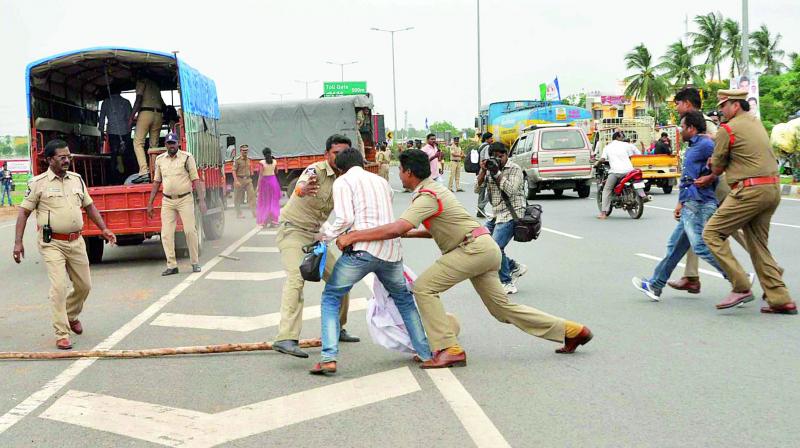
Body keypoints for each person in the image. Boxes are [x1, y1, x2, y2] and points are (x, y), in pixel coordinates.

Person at [335, 149, 593, 369]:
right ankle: (571, 331)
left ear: (409, 172)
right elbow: (429, 229)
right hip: (484, 247)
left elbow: (398, 226)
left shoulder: (427, 196)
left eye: (401, 170)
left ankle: (448, 348)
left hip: (472, 250)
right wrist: (404, 235)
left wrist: (354, 236)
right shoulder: (435, 189)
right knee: (502, 310)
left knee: (424, 288)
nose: (400, 175)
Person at [310, 148, 432, 374]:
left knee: (331, 298)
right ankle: (425, 353)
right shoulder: (380, 182)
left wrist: (323, 235)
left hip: (362, 250)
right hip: (390, 251)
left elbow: (345, 218)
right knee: (404, 300)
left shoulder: (343, 182)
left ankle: (328, 357)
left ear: (339, 168)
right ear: (363, 163)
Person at [13, 139, 117, 349]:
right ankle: (61, 332)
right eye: (62, 157)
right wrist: (18, 243)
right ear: (50, 159)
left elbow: (89, 207)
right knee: (59, 287)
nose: (67, 160)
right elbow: (24, 212)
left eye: (68, 156)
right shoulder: (38, 183)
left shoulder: (77, 180)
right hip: (52, 243)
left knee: (84, 285)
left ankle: (71, 314)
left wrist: (104, 229)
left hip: (76, 241)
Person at [699, 89, 796, 314]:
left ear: (735, 105)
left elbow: (717, 166)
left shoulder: (728, 129)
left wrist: (713, 163)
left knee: (711, 233)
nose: (721, 111)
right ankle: (780, 299)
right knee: (757, 245)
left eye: (723, 105)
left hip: (750, 191)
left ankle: (741, 285)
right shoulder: (755, 122)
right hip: (772, 189)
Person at [273, 134, 359, 359]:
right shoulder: (315, 170)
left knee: (341, 278)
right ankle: (286, 338)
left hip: (317, 235)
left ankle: (338, 328)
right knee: (296, 278)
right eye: (335, 153)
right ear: (326, 155)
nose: (340, 157)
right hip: (293, 231)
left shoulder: (348, 178)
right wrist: (301, 189)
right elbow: (301, 186)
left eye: (344, 153)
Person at [632, 112, 728, 301]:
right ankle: (655, 285)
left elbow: (722, 163)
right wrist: (680, 203)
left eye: (682, 127)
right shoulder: (695, 145)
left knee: (700, 246)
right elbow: (687, 179)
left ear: (691, 128)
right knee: (675, 246)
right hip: (690, 202)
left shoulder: (706, 144)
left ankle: (738, 279)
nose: (680, 131)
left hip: (699, 202)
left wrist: (710, 177)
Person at [669, 86, 749, 294]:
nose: (676, 108)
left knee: (737, 231)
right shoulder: (690, 126)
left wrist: (710, 177)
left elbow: (720, 150)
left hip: (715, 188)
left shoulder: (704, 124)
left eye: (677, 104)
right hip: (700, 190)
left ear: (686, 104)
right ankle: (691, 277)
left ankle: (765, 271)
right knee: (694, 231)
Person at [147, 132, 206, 276]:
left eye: (173, 143)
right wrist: (150, 203)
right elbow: (156, 181)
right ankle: (172, 265)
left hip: (185, 199)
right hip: (167, 201)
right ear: (166, 144)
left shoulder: (187, 157)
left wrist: (202, 200)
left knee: (189, 231)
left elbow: (195, 179)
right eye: (169, 143)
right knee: (166, 233)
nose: (171, 146)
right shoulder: (160, 160)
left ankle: (195, 262)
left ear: (178, 144)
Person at [476, 142, 528, 294]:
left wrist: (497, 173)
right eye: (494, 157)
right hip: (497, 213)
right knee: (482, 242)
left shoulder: (514, 169)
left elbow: (510, 190)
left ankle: (507, 282)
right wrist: (483, 170)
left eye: (501, 156)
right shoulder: (490, 168)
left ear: (507, 155)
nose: (498, 159)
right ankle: (514, 266)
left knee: (496, 248)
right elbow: (477, 189)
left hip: (512, 212)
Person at [597, 131, 642, 219]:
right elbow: (638, 154)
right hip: (629, 171)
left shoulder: (608, 147)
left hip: (616, 172)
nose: (623, 138)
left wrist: (597, 164)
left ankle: (603, 213)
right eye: (622, 136)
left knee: (607, 189)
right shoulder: (627, 145)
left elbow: (602, 159)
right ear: (617, 137)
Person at [129, 76, 165, 178]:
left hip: (146, 113)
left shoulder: (141, 80)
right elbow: (162, 104)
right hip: (158, 114)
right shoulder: (156, 86)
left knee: (138, 142)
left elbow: (139, 99)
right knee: (154, 145)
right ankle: (154, 171)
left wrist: (132, 117)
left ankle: (144, 171)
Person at [98, 87, 134, 183]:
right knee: (126, 155)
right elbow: (130, 119)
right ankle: (127, 177)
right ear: (120, 91)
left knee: (114, 156)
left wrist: (101, 132)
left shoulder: (105, 102)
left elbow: (101, 119)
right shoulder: (126, 102)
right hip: (125, 133)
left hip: (112, 133)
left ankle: (114, 180)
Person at [256, 147, 280, 227]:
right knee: (273, 201)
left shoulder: (262, 162)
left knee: (265, 202)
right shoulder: (275, 161)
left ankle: (264, 220)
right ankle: (274, 220)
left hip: (265, 183)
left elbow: (261, 175)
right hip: (273, 181)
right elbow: (276, 171)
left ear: (263, 154)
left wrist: (258, 186)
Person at [233, 144, 256, 219]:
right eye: (243, 150)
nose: (245, 152)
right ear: (240, 151)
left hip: (248, 180)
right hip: (239, 179)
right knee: (237, 197)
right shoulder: (237, 160)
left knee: (252, 196)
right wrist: (236, 181)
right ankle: (239, 213)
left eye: (246, 150)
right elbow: (233, 171)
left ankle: (254, 212)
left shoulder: (249, 159)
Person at [476, 132, 495, 218]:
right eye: (491, 138)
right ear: (487, 139)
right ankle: (481, 206)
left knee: (481, 191)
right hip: (486, 170)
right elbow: (487, 160)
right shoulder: (487, 147)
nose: (492, 139)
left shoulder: (481, 146)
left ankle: (480, 211)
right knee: (491, 190)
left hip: (481, 170)